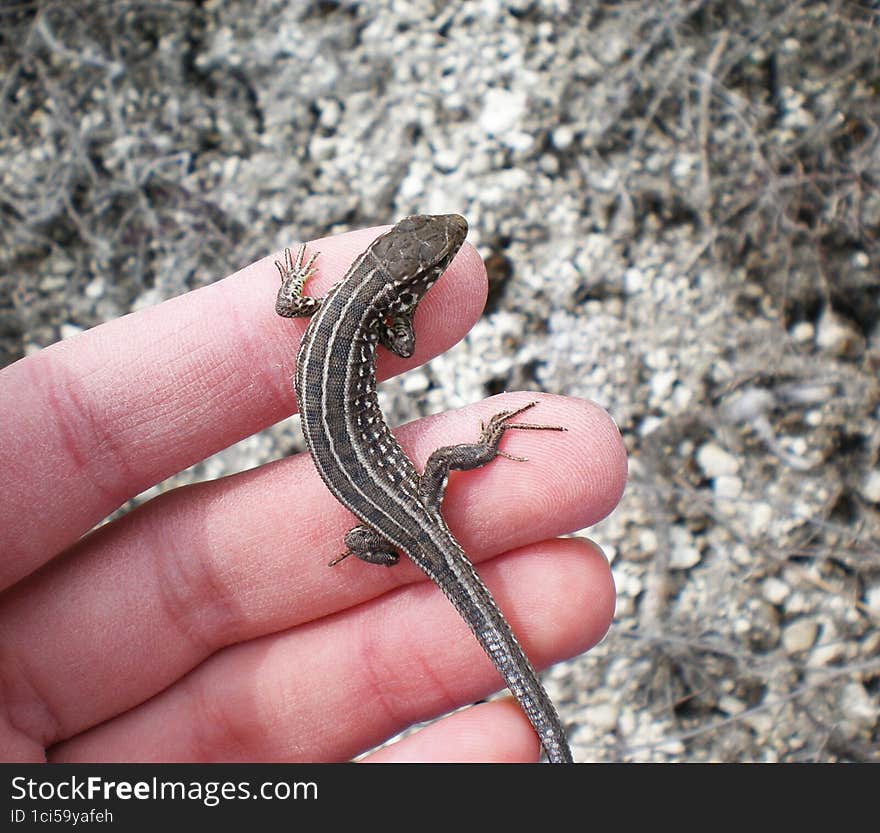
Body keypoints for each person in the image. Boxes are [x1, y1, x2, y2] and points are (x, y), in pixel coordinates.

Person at [0, 224, 624, 762]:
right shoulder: (381, 315)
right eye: (437, 265)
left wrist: (299, 285)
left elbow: (287, 309)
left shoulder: (329, 307)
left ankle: (383, 540)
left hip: (380, 502)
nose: (448, 250)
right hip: (404, 495)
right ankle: (482, 446)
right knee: (438, 481)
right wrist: (403, 318)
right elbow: (401, 345)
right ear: (405, 281)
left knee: (399, 514)